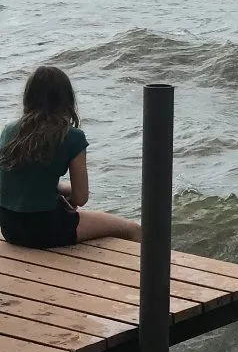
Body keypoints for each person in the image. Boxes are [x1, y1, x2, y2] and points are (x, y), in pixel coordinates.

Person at [0, 65, 140, 249]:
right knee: (132, 228)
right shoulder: (72, 136)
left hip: (10, 228)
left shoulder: (9, 131)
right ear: (66, 99)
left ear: (28, 97)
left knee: (63, 194)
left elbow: (20, 182)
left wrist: (61, 192)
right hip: (47, 229)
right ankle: (149, 268)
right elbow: (81, 198)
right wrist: (69, 199)